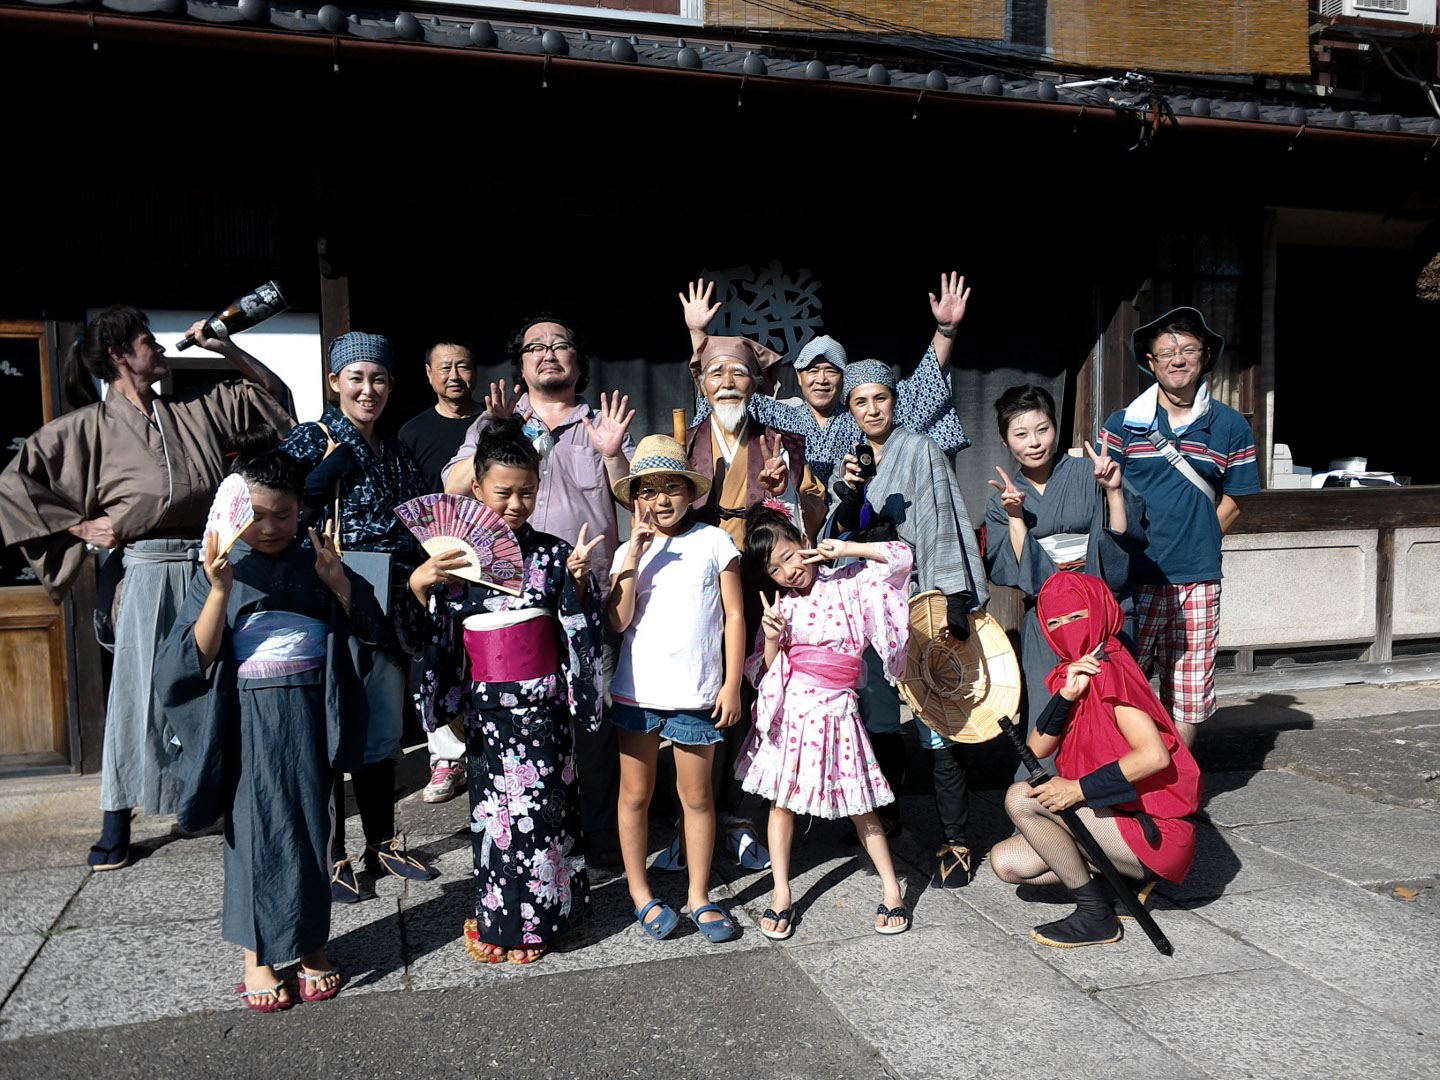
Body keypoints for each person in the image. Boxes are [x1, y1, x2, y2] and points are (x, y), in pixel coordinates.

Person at [0, 305, 292, 871]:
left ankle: (210, 797)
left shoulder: (194, 409)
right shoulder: (87, 427)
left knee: (217, 682)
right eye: (147, 342)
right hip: (147, 569)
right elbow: (15, 484)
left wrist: (225, 347)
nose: (159, 349)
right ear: (118, 356)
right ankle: (116, 818)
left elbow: (273, 399)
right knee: (137, 692)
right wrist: (79, 527)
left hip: (211, 561)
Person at [154, 430, 385, 1011]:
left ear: (301, 508)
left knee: (312, 825)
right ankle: (256, 956)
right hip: (247, 714)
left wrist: (339, 583)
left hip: (310, 708)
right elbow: (189, 660)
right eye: (256, 515)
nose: (270, 527)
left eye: (283, 514)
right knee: (254, 832)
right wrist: (218, 592)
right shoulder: (222, 565)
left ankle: (310, 944)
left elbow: (372, 628)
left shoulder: (317, 561)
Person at [404, 417, 604, 965]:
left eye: (527, 492)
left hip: (542, 707)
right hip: (486, 710)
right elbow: (437, 637)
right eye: (503, 492)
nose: (517, 504)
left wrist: (578, 584)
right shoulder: (456, 562)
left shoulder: (553, 554)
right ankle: (499, 919)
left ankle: (541, 922)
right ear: (476, 488)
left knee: (544, 818)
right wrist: (419, 587)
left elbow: (577, 625)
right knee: (494, 822)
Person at [440, 314, 633, 867]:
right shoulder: (498, 420)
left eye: (560, 344)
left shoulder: (600, 424)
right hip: (506, 599)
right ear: (520, 364)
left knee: (591, 717)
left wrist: (613, 452)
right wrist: (494, 431)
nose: (548, 353)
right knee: (520, 719)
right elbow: (453, 485)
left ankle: (598, 838)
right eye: (535, 347)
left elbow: (634, 501)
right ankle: (532, 838)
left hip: (584, 592)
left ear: (578, 360)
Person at [825, 360, 988, 889]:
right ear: (850, 409)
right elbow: (838, 536)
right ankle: (888, 814)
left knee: (934, 719)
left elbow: (941, 520)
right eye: (860, 401)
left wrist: (952, 597)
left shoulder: (919, 448)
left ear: (895, 400)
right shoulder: (851, 458)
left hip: (916, 599)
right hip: (866, 607)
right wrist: (851, 496)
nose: (871, 410)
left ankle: (956, 840)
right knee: (877, 716)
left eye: (880, 398)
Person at [283, 331, 435, 899]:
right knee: (332, 722)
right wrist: (317, 483)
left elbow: (421, 519)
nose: (368, 390)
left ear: (391, 385)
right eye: (356, 379)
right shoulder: (312, 438)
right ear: (334, 383)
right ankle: (332, 852)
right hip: (335, 593)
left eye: (378, 379)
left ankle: (382, 843)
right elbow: (271, 509)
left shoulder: (395, 451)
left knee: (381, 724)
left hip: (391, 596)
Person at [988, 572, 1202, 948]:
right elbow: (1036, 749)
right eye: (1055, 622)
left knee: (1021, 797)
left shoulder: (1112, 669)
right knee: (1006, 862)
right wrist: (1066, 695)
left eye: (1076, 616)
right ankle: (1119, 882)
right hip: (1112, 819)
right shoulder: (1075, 672)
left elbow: (1154, 756)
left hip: (1155, 832)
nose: (1067, 629)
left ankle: (1095, 915)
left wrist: (1076, 789)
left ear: (1100, 611)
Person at [738, 505, 914, 939]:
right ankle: (782, 893)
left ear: (804, 542)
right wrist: (773, 638)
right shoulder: (781, 608)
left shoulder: (850, 580)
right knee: (781, 803)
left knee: (861, 805)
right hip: (794, 711)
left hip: (838, 710)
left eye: (789, 555)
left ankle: (892, 889)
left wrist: (847, 548)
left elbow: (901, 557)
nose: (788, 571)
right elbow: (764, 671)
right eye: (774, 569)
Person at [605, 436, 744, 945]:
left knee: (698, 796)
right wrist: (634, 554)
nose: (660, 499)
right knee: (634, 795)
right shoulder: (627, 551)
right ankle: (640, 893)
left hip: (698, 691)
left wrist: (732, 683)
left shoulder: (715, 541)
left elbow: (734, 615)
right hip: (638, 692)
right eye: (648, 489)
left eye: (672, 487)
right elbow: (618, 620)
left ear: (690, 491)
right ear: (635, 498)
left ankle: (699, 895)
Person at [1100, 308, 1260, 750]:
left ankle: (1177, 783)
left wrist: (1199, 539)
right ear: (1150, 361)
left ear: (1205, 356)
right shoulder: (1121, 424)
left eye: (1188, 349)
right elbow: (1104, 497)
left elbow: (1237, 498)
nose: (1178, 358)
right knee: (1126, 687)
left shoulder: (1230, 425)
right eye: (1166, 351)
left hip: (1198, 578)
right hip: (1135, 578)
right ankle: (1130, 777)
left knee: (1188, 692)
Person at [678, 272, 972, 484]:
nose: (821, 379)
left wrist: (946, 331)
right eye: (812, 370)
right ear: (799, 376)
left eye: (831, 371)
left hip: (853, 521)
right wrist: (698, 333)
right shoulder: (778, 416)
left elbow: (921, 391)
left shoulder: (860, 418)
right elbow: (723, 392)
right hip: (794, 519)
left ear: (844, 379)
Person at [984, 385, 1146, 741]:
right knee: (1050, 708)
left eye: (1042, 429)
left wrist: (1113, 491)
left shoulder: (1092, 472)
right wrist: (1015, 516)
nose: (1034, 442)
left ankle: (1114, 772)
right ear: (1005, 440)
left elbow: (1124, 543)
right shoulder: (1001, 501)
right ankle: (1049, 771)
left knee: (1113, 708)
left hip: (1104, 606)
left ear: (1056, 427)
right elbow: (1021, 574)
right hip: (1049, 618)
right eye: (1021, 434)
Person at [398, 340, 482, 805]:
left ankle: (485, 745)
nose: (454, 375)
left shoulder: (491, 420)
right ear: (428, 374)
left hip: (490, 556)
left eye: (463, 366)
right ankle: (446, 758)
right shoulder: (412, 432)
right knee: (439, 655)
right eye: (445, 367)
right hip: (439, 557)